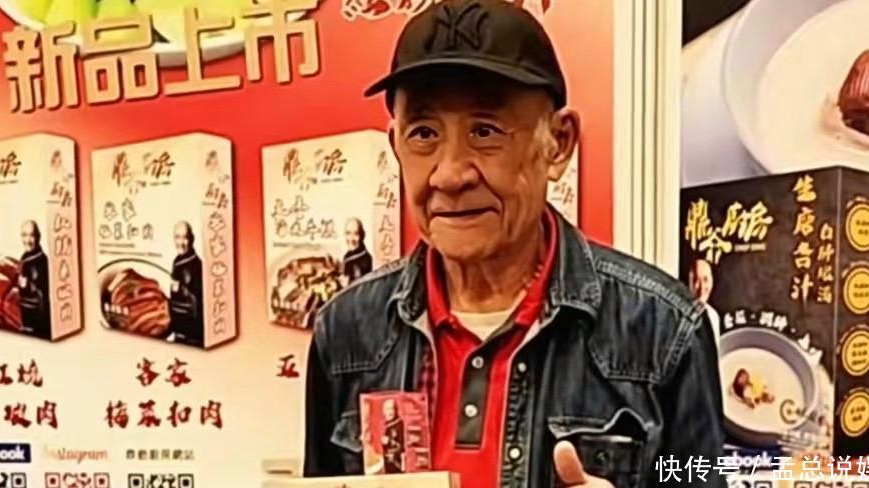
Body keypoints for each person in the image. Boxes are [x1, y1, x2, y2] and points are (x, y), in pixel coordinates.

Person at [304, 1, 724, 487]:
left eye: (485, 132)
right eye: (424, 134)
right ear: (396, 145)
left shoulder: (662, 329)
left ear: (558, 144)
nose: (450, 174)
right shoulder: (346, 331)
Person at [169, 221, 204, 347]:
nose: (181, 243)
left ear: (192, 239)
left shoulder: (196, 265)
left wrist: (181, 289)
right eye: (177, 237)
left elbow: (197, 305)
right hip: (179, 332)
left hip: (192, 336)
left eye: (185, 238)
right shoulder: (177, 261)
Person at [17, 220, 50, 339]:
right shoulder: (25, 257)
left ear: (38, 237)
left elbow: (42, 296)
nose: (28, 240)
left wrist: (27, 285)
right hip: (25, 317)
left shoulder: (41, 261)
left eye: (31, 235)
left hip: (37, 323)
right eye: (24, 235)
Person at [689, 258, 721, 349]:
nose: (702, 287)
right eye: (696, 280)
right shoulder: (678, 316)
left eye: (706, 280)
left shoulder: (713, 316)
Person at [342, 217, 373, 285]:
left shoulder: (365, 259)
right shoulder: (347, 256)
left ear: (362, 235)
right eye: (348, 233)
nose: (351, 239)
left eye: (356, 234)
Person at [380, 399, 405, 473]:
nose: (390, 412)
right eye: (387, 409)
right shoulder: (385, 425)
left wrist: (389, 441)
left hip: (397, 462)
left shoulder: (399, 424)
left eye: (392, 409)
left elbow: (402, 445)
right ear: (383, 411)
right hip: (386, 461)